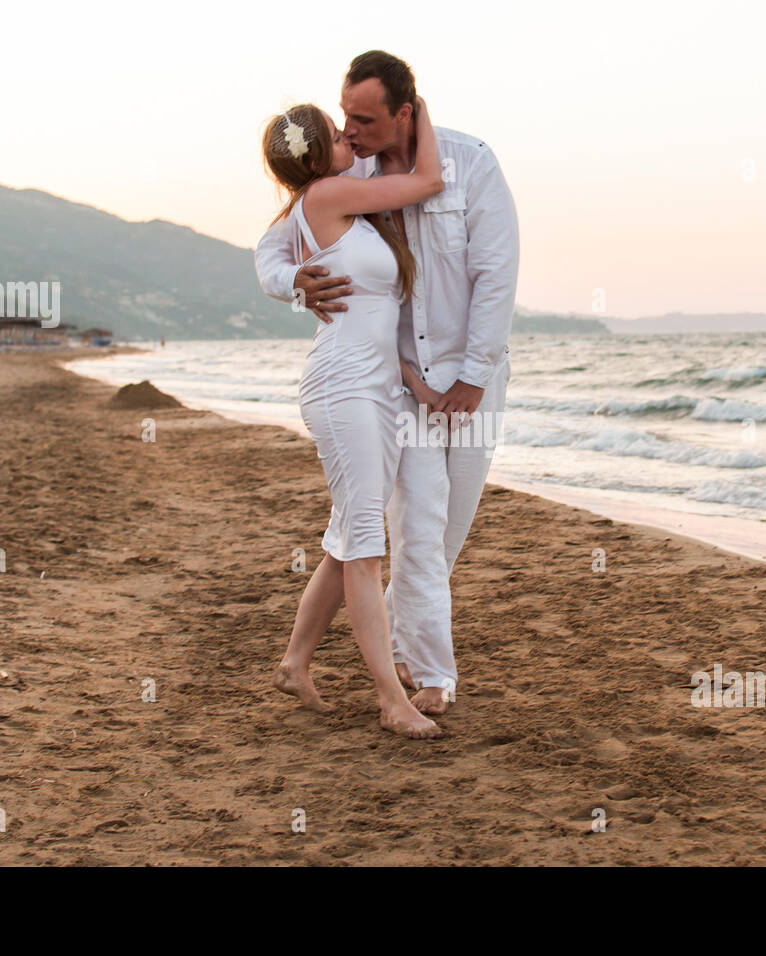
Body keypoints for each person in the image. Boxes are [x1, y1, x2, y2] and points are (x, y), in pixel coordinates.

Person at [256, 51, 519, 715]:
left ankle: (311, 659)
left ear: (404, 111)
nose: (350, 130)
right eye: (343, 118)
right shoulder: (348, 176)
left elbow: (496, 274)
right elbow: (272, 247)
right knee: (397, 534)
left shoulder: (472, 161)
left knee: (417, 534)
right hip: (380, 384)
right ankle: (410, 683)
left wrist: (474, 375)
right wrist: (294, 282)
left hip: (454, 380)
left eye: (364, 118)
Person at [261, 93, 445, 739]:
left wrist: (409, 379)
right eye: (340, 135)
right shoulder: (327, 197)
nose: (351, 139)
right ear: (316, 155)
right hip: (343, 391)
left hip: (376, 388)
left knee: (348, 542)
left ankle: (294, 663)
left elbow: (368, 315)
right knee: (366, 544)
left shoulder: (332, 207)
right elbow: (428, 180)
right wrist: (413, 113)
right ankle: (391, 700)